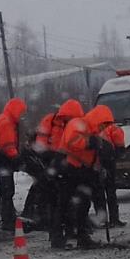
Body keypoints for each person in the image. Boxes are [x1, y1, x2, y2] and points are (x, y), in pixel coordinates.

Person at [54, 106, 100, 249]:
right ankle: (63, 236)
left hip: (72, 169)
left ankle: (74, 235)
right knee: (66, 203)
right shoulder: (77, 125)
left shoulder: (82, 127)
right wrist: (91, 143)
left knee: (77, 203)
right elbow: (73, 143)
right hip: (69, 169)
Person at [46, 99, 85, 248]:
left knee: (61, 203)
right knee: (63, 203)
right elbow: (74, 148)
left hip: (59, 167)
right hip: (64, 168)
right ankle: (60, 235)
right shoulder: (75, 127)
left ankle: (61, 234)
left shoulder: (64, 127)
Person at [0, 97, 27, 231]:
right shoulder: (7, 122)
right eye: (21, 113)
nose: (22, 116)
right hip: (3, 160)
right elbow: (8, 144)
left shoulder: (2, 118)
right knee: (7, 189)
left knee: (5, 189)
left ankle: (8, 216)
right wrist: (16, 157)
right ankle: (8, 219)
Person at [86, 104, 126, 228]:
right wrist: (118, 154)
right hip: (109, 162)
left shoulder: (91, 129)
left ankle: (102, 218)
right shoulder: (114, 129)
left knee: (98, 193)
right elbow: (120, 146)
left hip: (94, 163)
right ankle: (114, 218)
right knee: (111, 191)